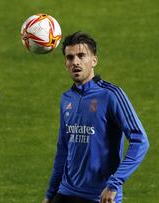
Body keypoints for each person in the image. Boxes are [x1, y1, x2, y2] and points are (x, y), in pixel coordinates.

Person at [42, 32, 149, 203]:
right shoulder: (66, 98)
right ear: (65, 64)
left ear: (94, 61)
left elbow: (140, 140)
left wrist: (114, 184)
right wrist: (50, 194)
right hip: (65, 192)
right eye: (70, 57)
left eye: (81, 55)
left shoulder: (111, 95)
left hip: (99, 196)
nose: (75, 62)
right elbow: (63, 149)